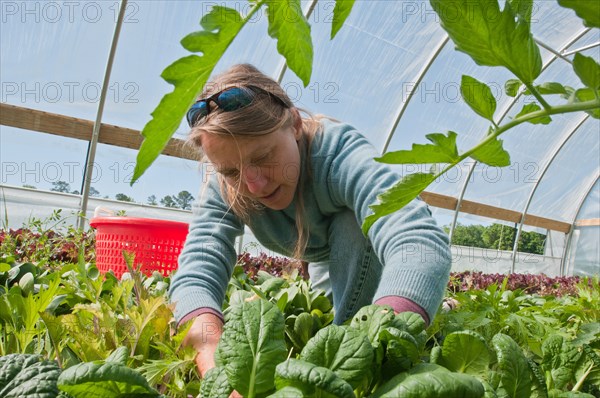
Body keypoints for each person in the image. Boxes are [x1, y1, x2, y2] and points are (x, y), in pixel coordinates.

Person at [169, 64, 452, 382]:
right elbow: (196, 269)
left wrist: (384, 327)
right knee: (330, 305)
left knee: (357, 224)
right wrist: (210, 351)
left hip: (356, 245)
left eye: (263, 157)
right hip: (324, 262)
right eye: (232, 172)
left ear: (293, 124)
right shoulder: (224, 185)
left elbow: (418, 240)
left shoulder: (336, 153)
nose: (254, 185)